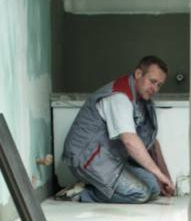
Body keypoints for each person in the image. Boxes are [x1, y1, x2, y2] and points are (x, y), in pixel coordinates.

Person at [62, 55, 175, 203]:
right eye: (152, 81)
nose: (155, 89)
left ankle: (97, 186)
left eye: (159, 85)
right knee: (140, 193)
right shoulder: (119, 98)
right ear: (138, 74)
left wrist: (158, 176)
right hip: (87, 158)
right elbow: (130, 142)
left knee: (153, 188)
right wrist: (160, 174)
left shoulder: (139, 98)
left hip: (110, 157)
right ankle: (81, 193)